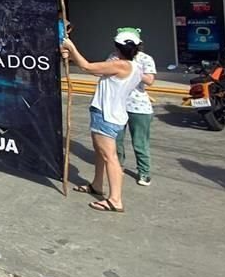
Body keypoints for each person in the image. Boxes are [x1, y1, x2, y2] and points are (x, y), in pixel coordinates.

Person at [62, 30, 144, 213]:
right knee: (100, 153)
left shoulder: (120, 66)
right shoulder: (136, 67)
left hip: (106, 115)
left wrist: (71, 46)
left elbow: (87, 67)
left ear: (118, 47)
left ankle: (115, 200)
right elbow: (94, 70)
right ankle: (97, 184)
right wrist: (71, 54)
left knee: (109, 157)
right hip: (115, 114)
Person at [108, 28, 157, 186]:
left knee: (140, 142)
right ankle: (118, 166)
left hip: (139, 107)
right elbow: (102, 72)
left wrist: (132, 70)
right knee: (116, 140)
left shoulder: (145, 59)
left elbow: (149, 80)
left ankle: (144, 172)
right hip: (117, 105)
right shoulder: (113, 58)